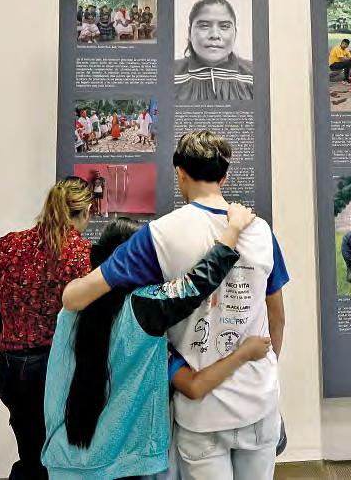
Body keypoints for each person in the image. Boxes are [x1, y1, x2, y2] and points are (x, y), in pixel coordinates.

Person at [61, 130, 289, 480]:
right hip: (259, 396)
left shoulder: (159, 236)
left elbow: (74, 297)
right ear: (225, 176)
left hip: (201, 409)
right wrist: (266, 369)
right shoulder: (260, 231)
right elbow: (277, 317)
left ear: (179, 172)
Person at [42, 209, 265, 480]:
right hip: (125, 462)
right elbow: (193, 287)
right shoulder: (142, 305)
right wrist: (233, 230)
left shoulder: (71, 309)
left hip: (64, 460)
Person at [0, 179, 92, 480]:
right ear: (86, 211)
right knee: (56, 459)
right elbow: (88, 321)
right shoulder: (82, 255)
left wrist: (3, 341)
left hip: (11, 369)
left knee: (29, 452)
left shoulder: (5, 246)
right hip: (55, 370)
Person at [174, 0, 253, 100]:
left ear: (235, 33)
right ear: (189, 33)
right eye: (204, 26)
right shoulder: (169, 74)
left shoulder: (255, 75)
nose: (215, 35)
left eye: (224, 26)